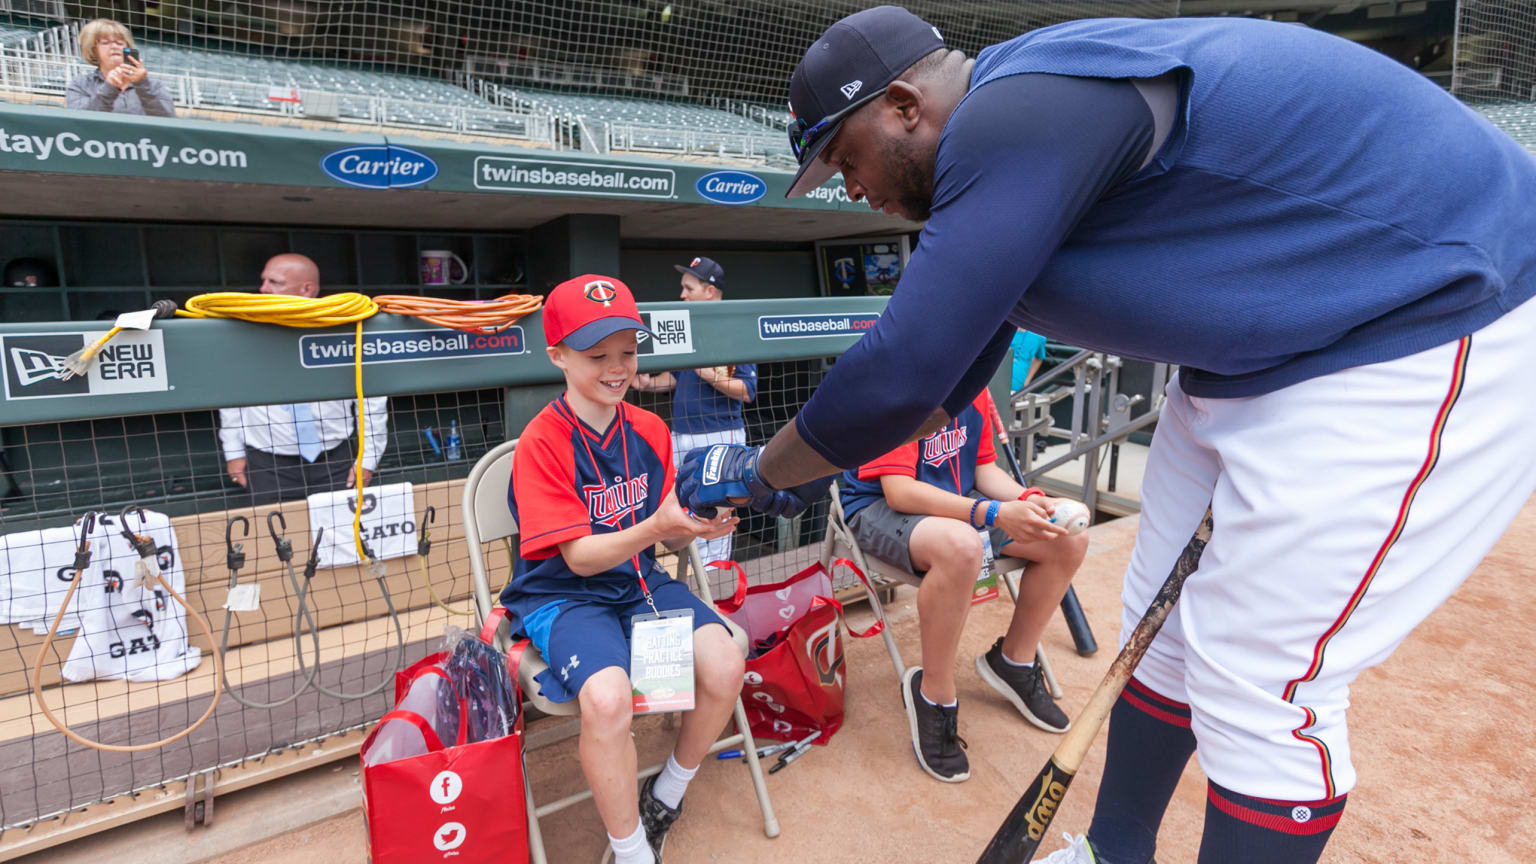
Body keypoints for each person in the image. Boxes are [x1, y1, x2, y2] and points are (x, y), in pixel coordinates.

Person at [677, 8, 1536, 864]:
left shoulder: (1016, 111)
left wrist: (757, 472)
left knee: (1261, 681)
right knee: (1157, 627)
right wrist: (799, 461)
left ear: (904, 104)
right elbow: (933, 390)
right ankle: (1114, 850)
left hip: (1432, 319)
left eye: (843, 157)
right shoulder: (1011, 152)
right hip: (1267, 360)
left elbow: (901, 371)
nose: (847, 187)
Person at [502, 274, 745, 864]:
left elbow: (668, 515)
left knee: (726, 659)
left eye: (628, 353)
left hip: (639, 584)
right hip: (565, 596)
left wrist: (701, 520)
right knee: (608, 700)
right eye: (596, 355)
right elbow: (580, 558)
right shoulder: (542, 442)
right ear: (557, 354)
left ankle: (666, 793)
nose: (616, 368)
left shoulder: (651, 429)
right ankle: (632, 848)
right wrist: (662, 528)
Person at [840, 387, 1087, 782]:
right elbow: (899, 492)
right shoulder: (905, 382)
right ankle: (934, 695)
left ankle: (1013, 663)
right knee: (962, 546)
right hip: (879, 506)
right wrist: (991, 513)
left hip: (958, 502)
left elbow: (985, 468)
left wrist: (1032, 500)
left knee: (1066, 538)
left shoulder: (976, 382)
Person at [218, 254, 388, 505]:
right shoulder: (243, 333)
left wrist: (368, 460)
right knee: (274, 540)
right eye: (263, 281)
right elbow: (229, 395)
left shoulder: (343, 329)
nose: (263, 289)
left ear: (307, 289)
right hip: (267, 465)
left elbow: (371, 399)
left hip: (335, 461)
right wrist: (233, 453)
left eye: (274, 283)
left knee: (342, 539)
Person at [633, 257, 758, 567]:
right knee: (679, 507)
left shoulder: (733, 325)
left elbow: (747, 392)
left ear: (710, 291)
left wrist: (711, 376)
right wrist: (648, 384)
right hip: (682, 434)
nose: (683, 295)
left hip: (720, 434)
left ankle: (713, 581)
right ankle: (690, 578)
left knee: (716, 509)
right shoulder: (689, 325)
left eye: (689, 288)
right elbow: (676, 379)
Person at [66, 19, 175, 117]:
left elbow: (168, 120)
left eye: (119, 42)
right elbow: (80, 123)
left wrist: (142, 85)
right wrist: (109, 88)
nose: (114, 46)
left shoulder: (155, 85)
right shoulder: (80, 84)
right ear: (93, 50)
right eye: (105, 43)